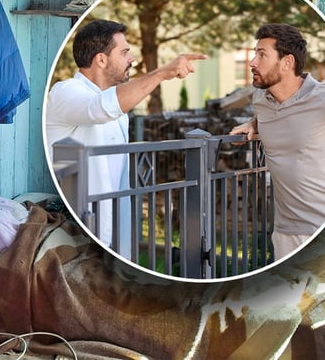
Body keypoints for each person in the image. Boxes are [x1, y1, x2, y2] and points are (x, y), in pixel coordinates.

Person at [44, 19, 206, 257]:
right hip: (76, 230)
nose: (132, 59)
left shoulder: (117, 107)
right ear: (101, 59)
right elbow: (100, 109)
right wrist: (161, 73)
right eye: (125, 52)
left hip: (114, 227)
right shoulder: (65, 92)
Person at [230, 23, 325, 260]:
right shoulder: (261, 98)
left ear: (287, 62)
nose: (252, 62)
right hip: (286, 234)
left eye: (262, 55)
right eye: (254, 53)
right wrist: (253, 125)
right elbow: (269, 115)